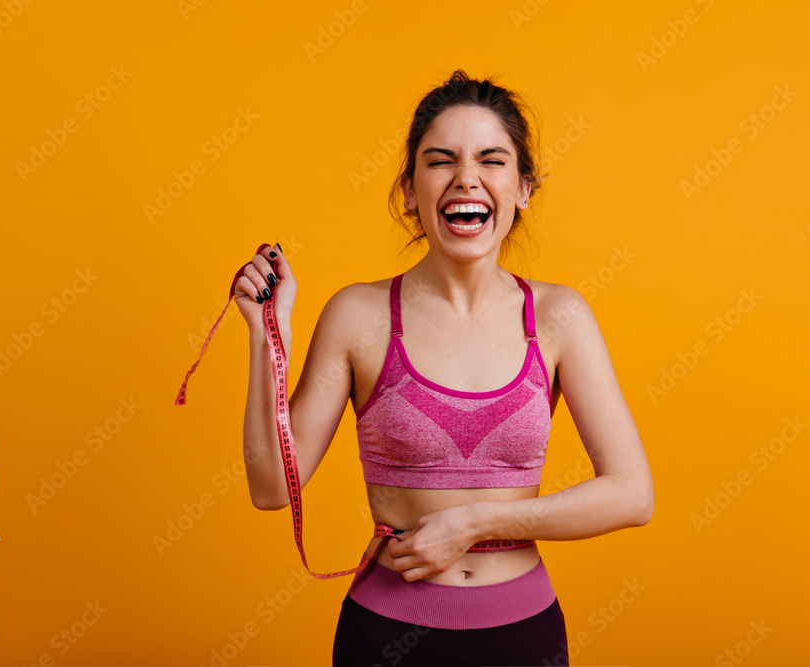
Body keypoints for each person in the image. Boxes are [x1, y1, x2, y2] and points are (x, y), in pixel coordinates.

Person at [235, 70, 654, 667]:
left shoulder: (560, 317)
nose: (466, 178)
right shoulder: (358, 315)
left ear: (524, 187)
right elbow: (271, 488)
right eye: (440, 160)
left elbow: (632, 495)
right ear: (409, 189)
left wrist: (476, 522)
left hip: (524, 638)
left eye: (492, 159)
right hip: (385, 637)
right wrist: (265, 337)